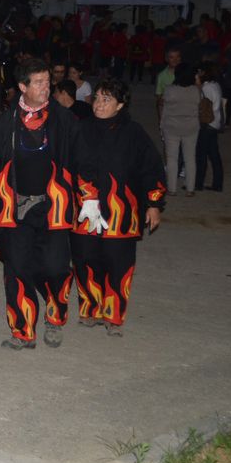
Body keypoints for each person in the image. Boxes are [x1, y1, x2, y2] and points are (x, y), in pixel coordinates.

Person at [0, 59, 91, 350]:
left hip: (53, 207)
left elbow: (84, 160)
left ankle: (55, 317)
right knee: (16, 268)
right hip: (15, 208)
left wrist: (91, 197)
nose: (46, 87)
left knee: (56, 268)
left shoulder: (64, 120)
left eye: (48, 81)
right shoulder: (7, 121)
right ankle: (23, 332)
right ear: (22, 87)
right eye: (39, 82)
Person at [71, 78, 165, 336]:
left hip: (121, 212)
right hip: (84, 209)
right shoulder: (81, 129)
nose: (99, 104)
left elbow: (151, 169)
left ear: (120, 104)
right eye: (97, 98)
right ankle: (91, 308)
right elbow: (70, 165)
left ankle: (113, 315)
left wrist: (154, 203)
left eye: (107, 99)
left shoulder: (133, 133)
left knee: (118, 264)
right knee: (85, 260)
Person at [161, 63, 200, 197]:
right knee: (190, 158)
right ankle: (190, 188)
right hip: (191, 127)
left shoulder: (169, 90)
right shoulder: (195, 90)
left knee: (172, 158)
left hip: (171, 126)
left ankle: (172, 188)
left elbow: (164, 107)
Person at [194, 62, 223, 192]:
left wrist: (198, 87)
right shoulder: (216, 85)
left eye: (200, 71)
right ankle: (217, 183)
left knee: (201, 155)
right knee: (214, 155)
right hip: (215, 123)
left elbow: (203, 105)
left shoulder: (207, 87)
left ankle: (198, 183)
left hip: (207, 123)